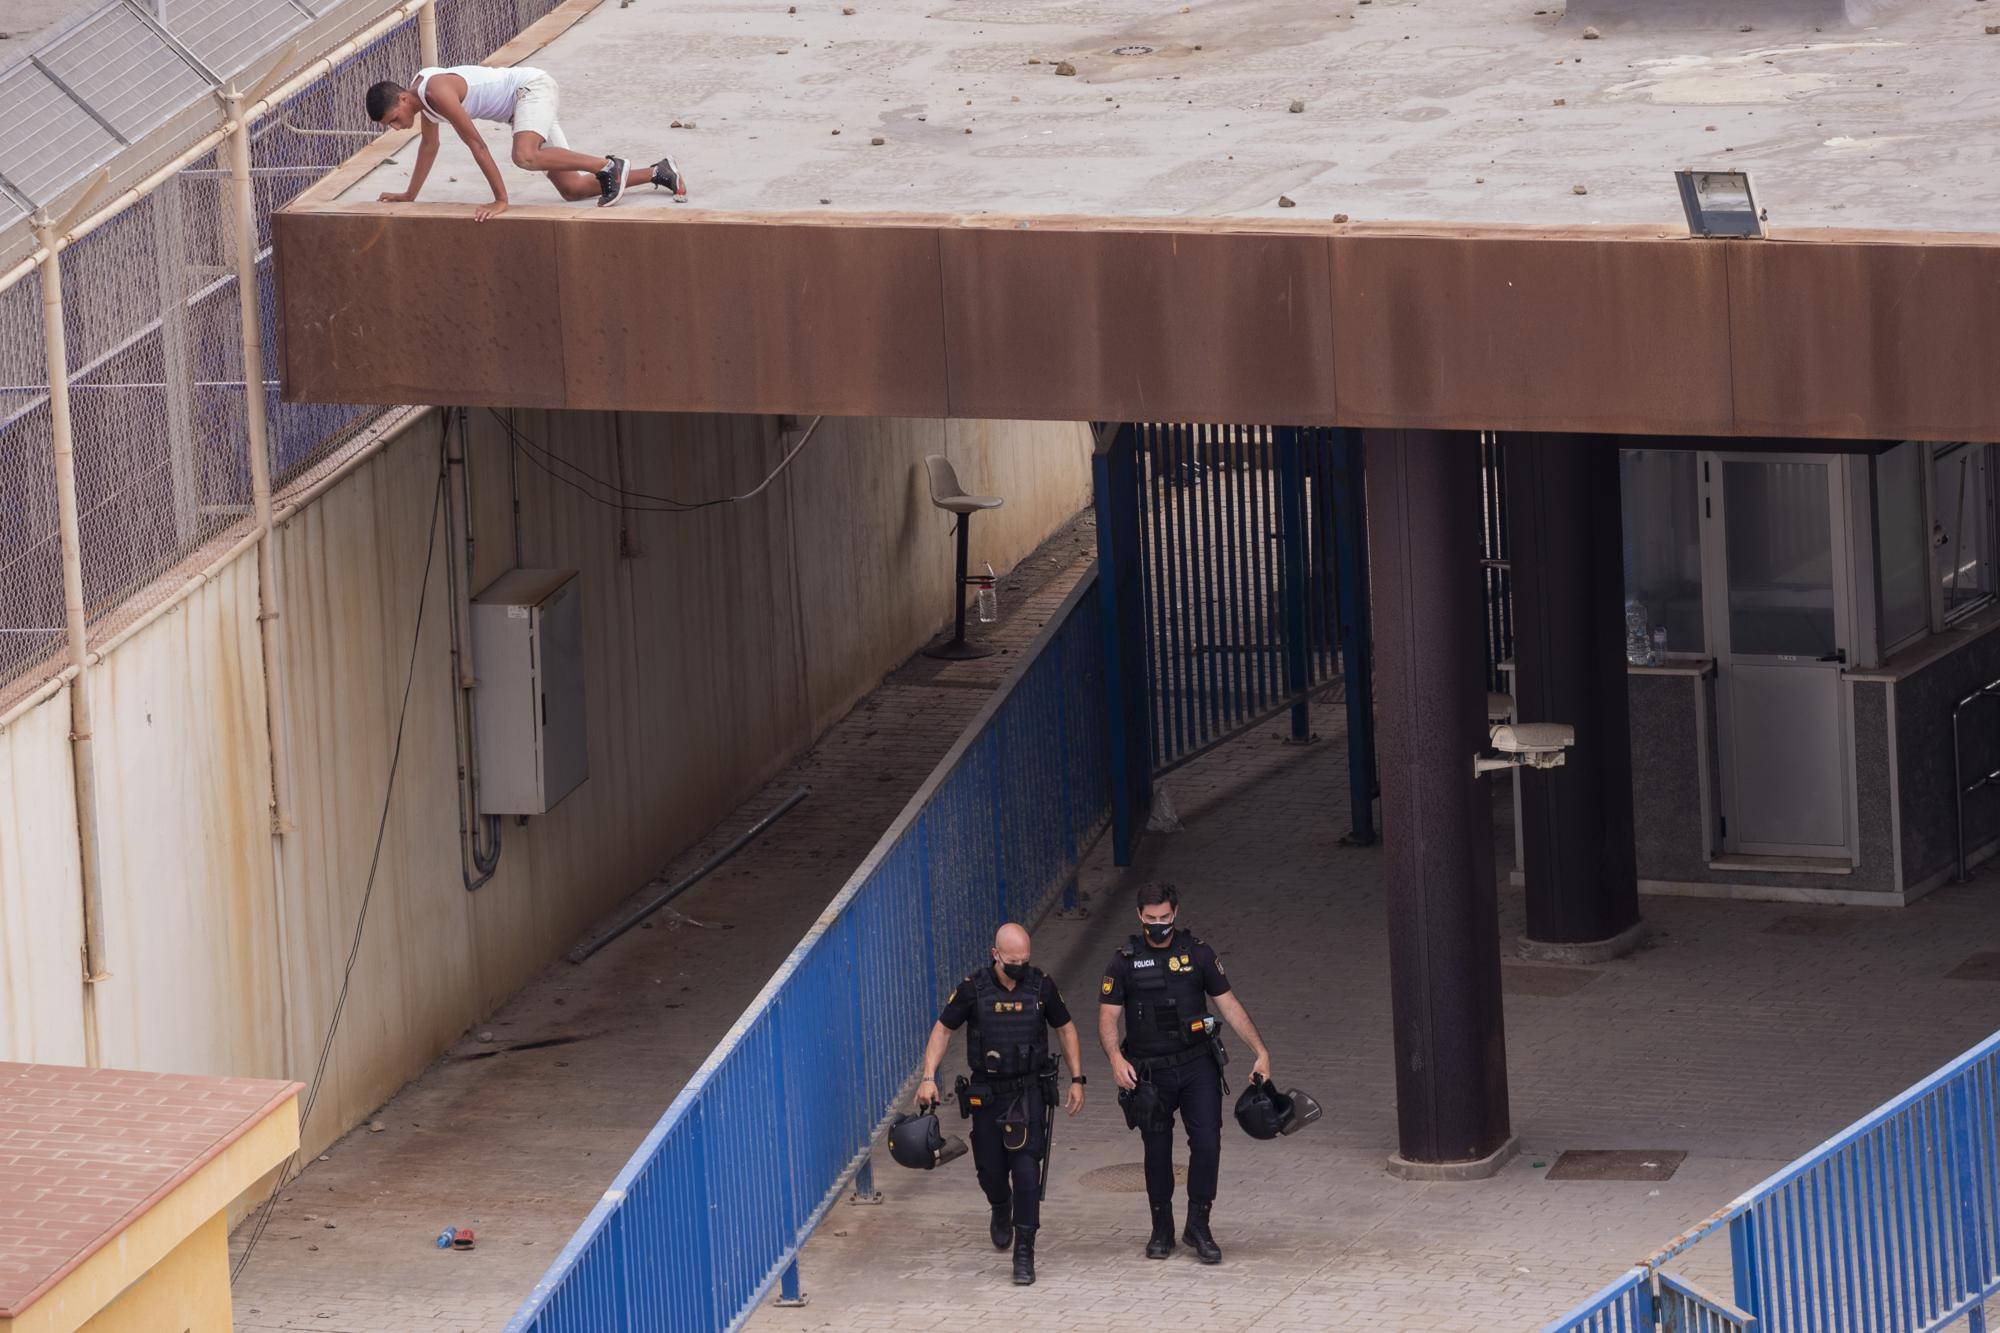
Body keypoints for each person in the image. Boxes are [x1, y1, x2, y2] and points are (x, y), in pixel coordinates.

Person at [1098, 881, 1271, 1265]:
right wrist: (1114, 1058)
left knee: (1208, 1144)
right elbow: (1108, 1016)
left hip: (1197, 1067)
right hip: (1150, 1073)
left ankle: (1199, 1224)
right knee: (1156, 1151)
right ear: (1139, 916)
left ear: (1175, 914)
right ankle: (1162, 1229)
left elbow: (1229, 1005)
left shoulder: (1199, 954)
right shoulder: (1122, 961)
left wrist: (1260, 1051)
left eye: (1164, 917)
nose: (1158, 924)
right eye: (1150, 918)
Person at [915, 923, 1086, 1286]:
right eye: (1012, 961)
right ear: (995, 955)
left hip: (1028, 1092)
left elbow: (1066, 1028)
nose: (1019, 967)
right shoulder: (972, 989)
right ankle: (999, 1206)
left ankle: (1024, 1251)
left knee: (1026, 1172)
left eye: (1025, 961)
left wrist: (1077, 1078)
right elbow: (943, 1030)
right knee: (991, 1171)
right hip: (988, 1094)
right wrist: (929, 1076)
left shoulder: (1041, 986)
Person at [365, 66, 686, 220]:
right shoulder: (425, 106)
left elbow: (477, 145)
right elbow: (428, 148)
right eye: (389, 126)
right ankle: (659, 172)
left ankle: (608, 166)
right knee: (572, 189)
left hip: (531, 91)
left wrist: (500, 200)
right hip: (522, 113)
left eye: (393, 119)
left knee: (525, 155)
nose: (395, 127)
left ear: (404, 98)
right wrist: (410, 194)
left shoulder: (435, 92)